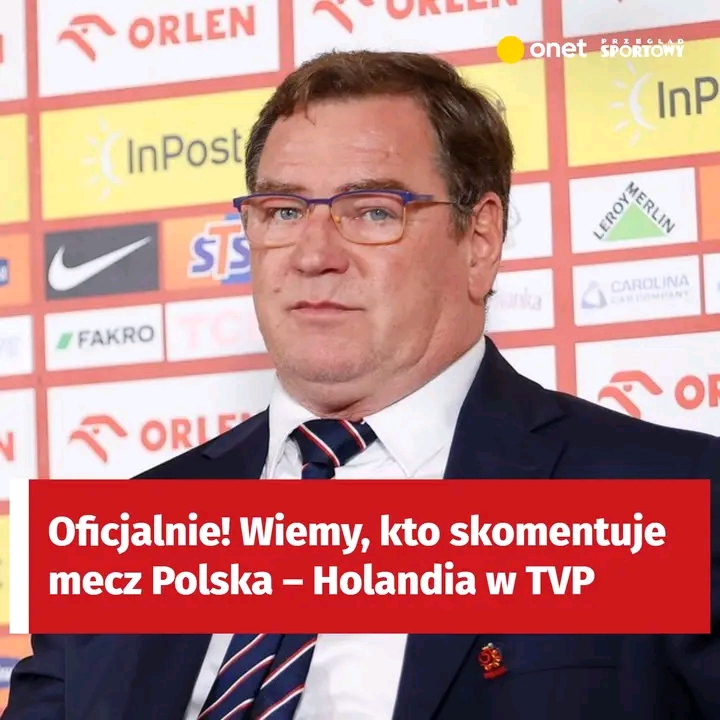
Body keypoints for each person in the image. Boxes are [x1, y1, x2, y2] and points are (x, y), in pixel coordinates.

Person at [5, 50, 719, 720]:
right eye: (284, 212)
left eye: (374, 210)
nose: (314, 253)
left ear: (480, 239)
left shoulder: (671, 499)